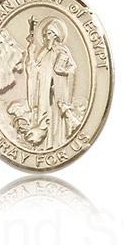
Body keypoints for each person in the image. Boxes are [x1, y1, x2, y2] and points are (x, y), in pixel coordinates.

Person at [25, 18, 76, 149]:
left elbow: (72, 67)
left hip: (57, 89)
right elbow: (35, 68)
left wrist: (63, 72)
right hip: (44, 91)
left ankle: (58, 142)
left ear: (55, 34)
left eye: (48, 33)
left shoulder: (62, 50)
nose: (45, 37)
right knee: (45, 114)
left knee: (56, 116)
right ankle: (46, 145)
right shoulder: (44, 52)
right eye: (44, 34)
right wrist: (30, 53)